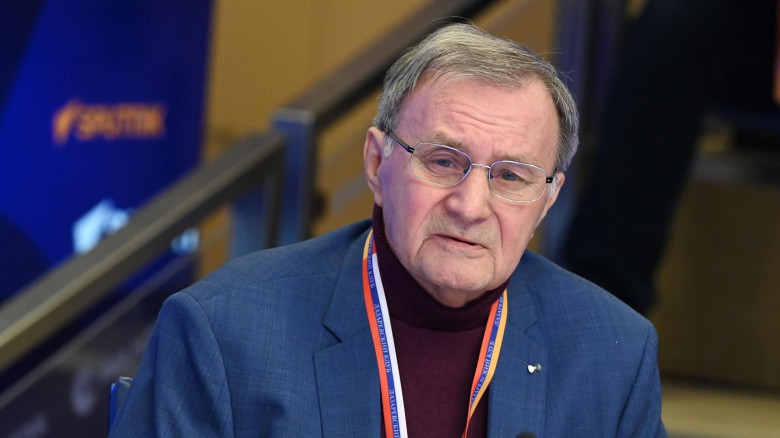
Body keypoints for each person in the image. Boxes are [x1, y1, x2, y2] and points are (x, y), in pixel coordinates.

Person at [110, 23, 665, 437]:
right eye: (443, 161)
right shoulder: (224, 332)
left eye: (510, 176)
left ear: (547, 199)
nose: (471, 206)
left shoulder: (613, 352)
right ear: (376, 165)